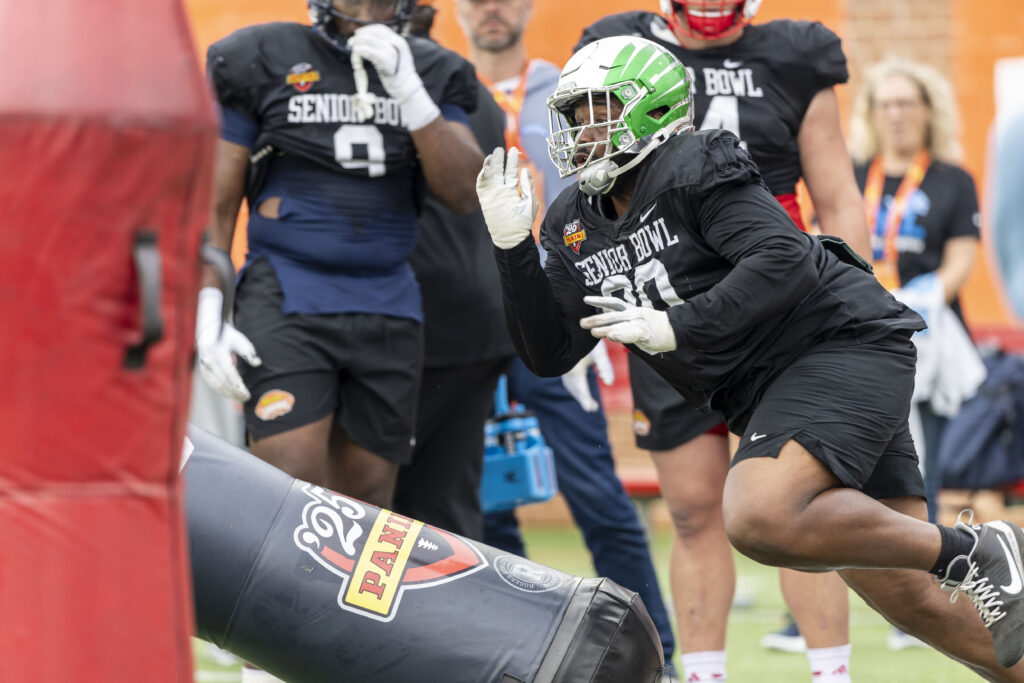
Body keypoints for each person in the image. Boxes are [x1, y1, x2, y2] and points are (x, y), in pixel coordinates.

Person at [476, 34, 1024, 681]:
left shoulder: (694, 161)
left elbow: (783, 258)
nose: (579, 129)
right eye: (572, 115)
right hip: (774, 384)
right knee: (906, 592)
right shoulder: (573, 218)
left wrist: (680, 325)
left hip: (837, 343)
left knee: (758, 512)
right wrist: (511, 250)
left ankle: (974, 547)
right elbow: (552, 349)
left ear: (648, 108)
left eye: (596, 110)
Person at [575, 2, 865, 677]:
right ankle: (703, 672)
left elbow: (837, 192)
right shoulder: (615, 43)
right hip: (664, 298)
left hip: (777, 303)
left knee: (796, 503)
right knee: (692, 507)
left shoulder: (794, 52)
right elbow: (589, 183)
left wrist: (854, 288)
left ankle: (831, 671)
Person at [453, 0, 678, 668]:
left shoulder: (571, 84)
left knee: (595, 491)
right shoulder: (448, 89)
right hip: (469, 312)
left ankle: (657, 649)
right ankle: (515, 645)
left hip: (558, 303)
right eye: (475, 0)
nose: (490, 10)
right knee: (482, 498)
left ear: (528, 7)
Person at [194, 0, 483, 521]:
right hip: (286, 290)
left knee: (368, 502)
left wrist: (411, 95)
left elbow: (466, 192)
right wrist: (209, 304)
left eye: (382, 2)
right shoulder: (259, 57)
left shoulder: (431, 68)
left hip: (388, 299)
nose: (368, 13)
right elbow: (216, 205)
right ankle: (274, 605)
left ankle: (334, 607)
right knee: (285, 487)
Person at [392, 0, 515, 541]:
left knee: (378, 496)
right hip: (481, 314)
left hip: (421, 316)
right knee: (448, 501)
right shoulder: (472, 86)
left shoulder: (395, 81)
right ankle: (456, 620)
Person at [848, 57, 981, 528]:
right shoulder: (851, 174)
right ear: (870, 112)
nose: (896, 114)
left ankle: (925, 567)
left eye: (906, 103)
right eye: (885, 104)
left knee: (922, 466)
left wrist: (918, 303)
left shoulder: (954, 179)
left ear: (928, 110)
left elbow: (960, 261)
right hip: (860, 335)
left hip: (928, 337)